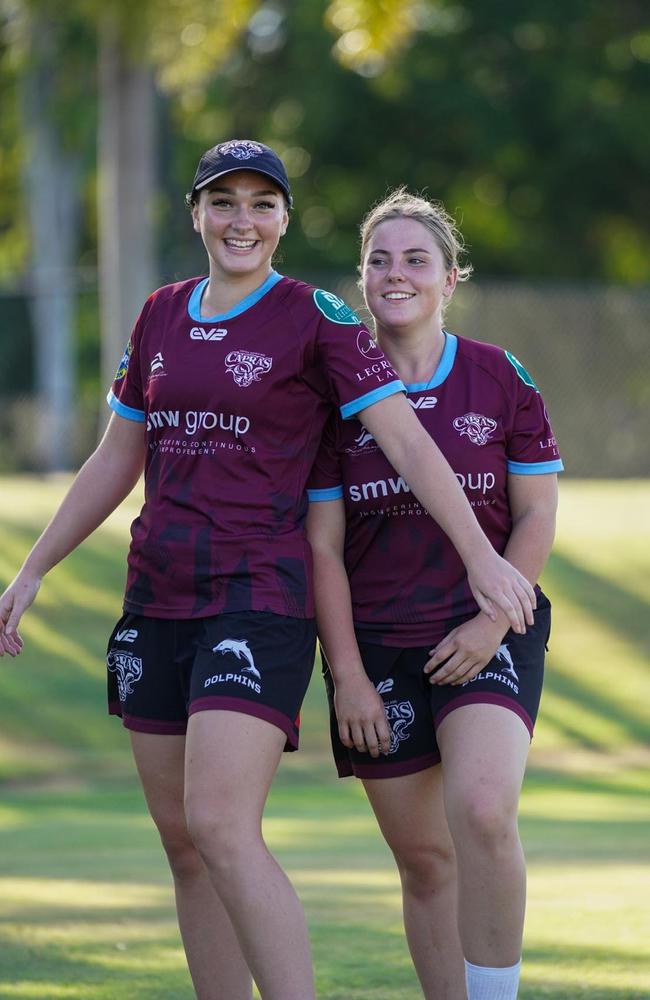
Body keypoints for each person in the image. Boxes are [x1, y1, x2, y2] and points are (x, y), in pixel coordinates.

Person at [0, 145, 536, 1000]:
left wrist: (480, 558)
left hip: (259, 596)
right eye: (223, 202)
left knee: (220, 823)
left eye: (260, 204)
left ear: (284, 219)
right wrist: (32, 570)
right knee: (183, 842)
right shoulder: (159, 315)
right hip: (157, 593)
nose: (240, 220)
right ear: (197, 213)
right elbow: (117, 454)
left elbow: (405, 440)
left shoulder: (315, 316)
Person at [306, 188, 563, 1000]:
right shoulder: (331, 396)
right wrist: (346, 675)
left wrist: (494, 621)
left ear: (451, 278)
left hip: (487, 628)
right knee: (423, 860)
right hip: (379, 643)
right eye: (379, 260)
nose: (396, 273)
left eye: (417, 259)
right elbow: (322, 546)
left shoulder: (499, 376)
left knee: (483, 813)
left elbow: (536, 513)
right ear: (361, 279)